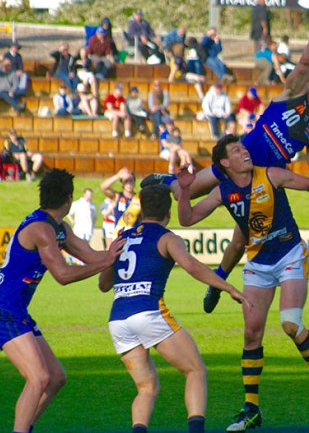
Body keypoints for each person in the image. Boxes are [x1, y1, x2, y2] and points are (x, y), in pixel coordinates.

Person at [141, 10, 309, 309]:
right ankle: (167, 180)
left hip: (264, 179)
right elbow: (303, 62)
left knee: (242, 239)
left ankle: (217, 286)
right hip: (239, 160)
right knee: (190, 189)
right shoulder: (289, 95)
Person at [177, 135, 309, 430]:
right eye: (237, 150)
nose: (244, 151)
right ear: (225, 162)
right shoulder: (223, 192)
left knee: (290, 322)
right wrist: (185, 191)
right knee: (251, 335)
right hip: (258, 265)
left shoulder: (271, 175)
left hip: (290, 255)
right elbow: (187, 219)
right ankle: (251, 409)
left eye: (244, 147)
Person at [98, 183, 250, 433]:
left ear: (141, 210)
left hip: (118, 320)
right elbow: (192, 266)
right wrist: (228, 287)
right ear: (168, 212)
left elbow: (104, 284)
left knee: (146, 387)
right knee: (195, 370)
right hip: (147, 313)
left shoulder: (122, 238)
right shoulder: (167, 238)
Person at [0, 169, 124, 433]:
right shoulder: (41, 229)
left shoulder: (59, 227)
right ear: (69, 198)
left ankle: (24, 427)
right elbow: (63, 275)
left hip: (16, 310)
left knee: (55, 378)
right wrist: (106, 262)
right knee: (39, 378)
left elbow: (91, 257)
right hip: (2, 310)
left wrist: (116, 250)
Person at [100, 167, 139, 235]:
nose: (129, 184)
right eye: (126, 181)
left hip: (134, 234)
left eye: (131, 180)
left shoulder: (138, 198)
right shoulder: (117, 196)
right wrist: (117, 176)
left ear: (134, 182)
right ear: (122, 183)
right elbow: (103, 187)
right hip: (119, 235)